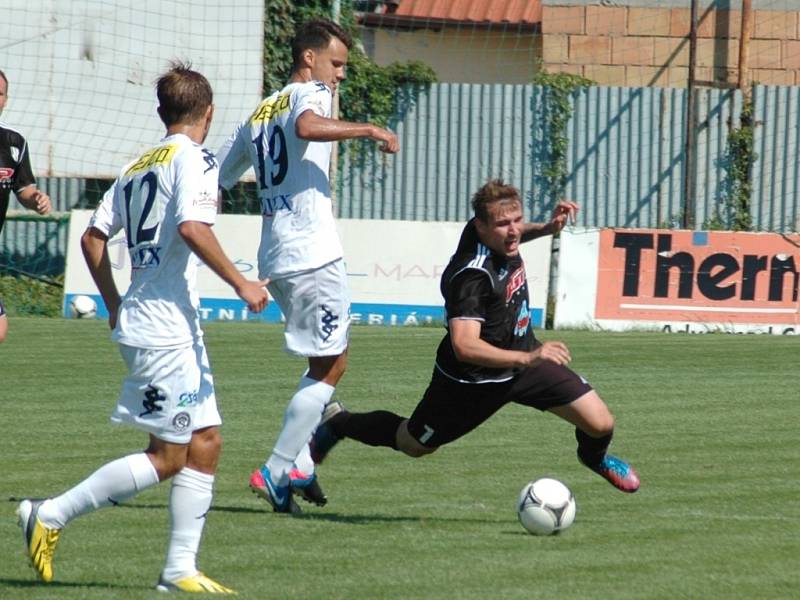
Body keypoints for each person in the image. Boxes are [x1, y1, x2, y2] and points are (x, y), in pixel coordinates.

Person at [16, 62, 269, 593]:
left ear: (162, 113)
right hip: (164, 328)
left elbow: (91, 237)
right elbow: (192, 227)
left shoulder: (138, 164)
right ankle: (49, 515)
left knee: (207, 442)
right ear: (209, 112)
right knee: (169, 454)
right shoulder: (196, 159)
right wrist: (243, 284)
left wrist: (113, 302)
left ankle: (180, 569)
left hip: (159, 320)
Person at [311, 179, 641, 496]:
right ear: (479, 227)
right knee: (415, 443)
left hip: (525, 362)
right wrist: (528, 358)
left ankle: (594, 457)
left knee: (600, 423)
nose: (513, 230)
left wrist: (546, 228)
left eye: (517, 220)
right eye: (502, 224)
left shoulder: (491, 233)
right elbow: (465, 346)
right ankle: (340, 422)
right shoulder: (472, 276)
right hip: (470, 383)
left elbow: (513, 232)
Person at [217, 18, 399, 513]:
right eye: (336, 64)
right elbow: (306, 126)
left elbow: (220, 178)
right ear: (309, 59)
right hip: (310, 252)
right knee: (332, 363)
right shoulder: (308, 95)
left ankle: (301, 463)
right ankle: (279, 469)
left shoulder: (258, 112)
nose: (339, 75)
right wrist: (369, 128)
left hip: (277, 251)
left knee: (322, 362)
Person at [0, 68, 52, 343]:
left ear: (6, 99)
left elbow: (24, 188)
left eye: (0, 93)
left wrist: (36, 199)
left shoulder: (14, 144)